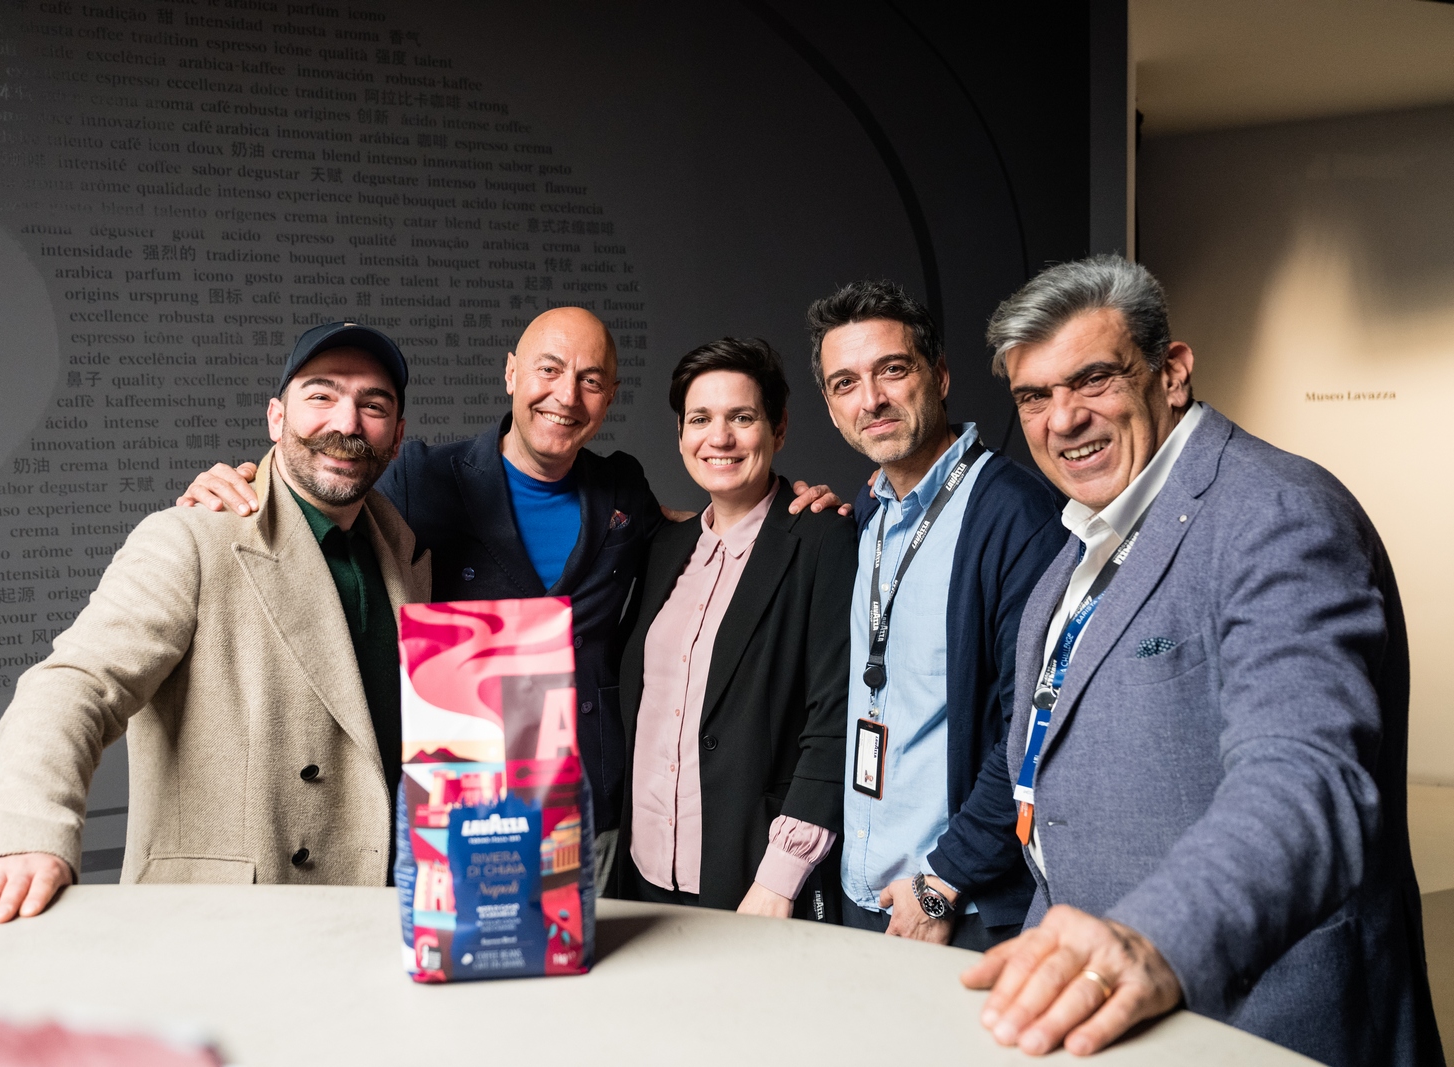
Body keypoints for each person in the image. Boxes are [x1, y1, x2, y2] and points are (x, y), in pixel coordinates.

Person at [961, 255, 1443, 1066]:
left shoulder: (1277, 512)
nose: (1062, 418)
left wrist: (1155, 938)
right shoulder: (1076, 551)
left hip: (1266, 1016)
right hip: (1106, 1014)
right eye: (1033, 396)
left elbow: (1305, 776)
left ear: (1172, 372)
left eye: (1093, 379)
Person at [177, 307, 842, 892]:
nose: (566, 395)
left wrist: (789, 509)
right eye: (548, 370)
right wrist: (245, 484)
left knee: (600, 984)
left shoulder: (622, 489)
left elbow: (704, 528)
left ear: (609, 397)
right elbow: (328, 488)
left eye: (591, 380)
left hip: (596, 811)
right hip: (466, 808)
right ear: (511, 374)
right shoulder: (421, 479)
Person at [0, 323, 429, 922]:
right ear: (277, 418)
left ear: (397, 437)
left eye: (373, 405)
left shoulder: (406, 559)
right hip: (220, 922)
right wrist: (25, 831)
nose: (347, 423)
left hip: (380, 916)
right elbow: (76, 684)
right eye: (321, 396)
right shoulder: (192, 536)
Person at [808, 280, 1068, 950]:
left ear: (940, 376)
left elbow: (1036, 730)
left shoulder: (1015, 516)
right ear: (832, 409)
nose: (871, 399)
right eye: (845, 383)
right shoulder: (868, 513)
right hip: (865, 896)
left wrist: (943, 880)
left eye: (892, 370)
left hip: (958, 908)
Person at [614, 338, 855, 920]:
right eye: (700, 419)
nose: (719, 438)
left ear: (779, 428)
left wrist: (780, 879)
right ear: (680, 434)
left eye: (742, 418)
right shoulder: (663, 549)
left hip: (753, 880)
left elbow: (836, 718)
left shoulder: (823, 540)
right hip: (641, 872)